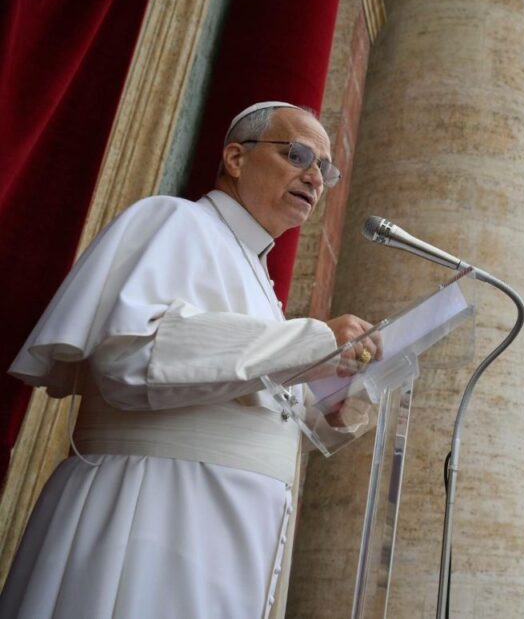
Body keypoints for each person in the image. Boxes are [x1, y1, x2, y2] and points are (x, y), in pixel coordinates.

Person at [1, 102, 380, 618]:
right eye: (298, 155)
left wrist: (329, 407)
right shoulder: (173, 220)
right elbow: (133, 355)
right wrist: (311, 341)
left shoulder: (262, 283)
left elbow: (251, 399)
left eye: (325, 168)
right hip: (151, 514)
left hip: (233, 539)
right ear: (235, 159)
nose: (315, 176)